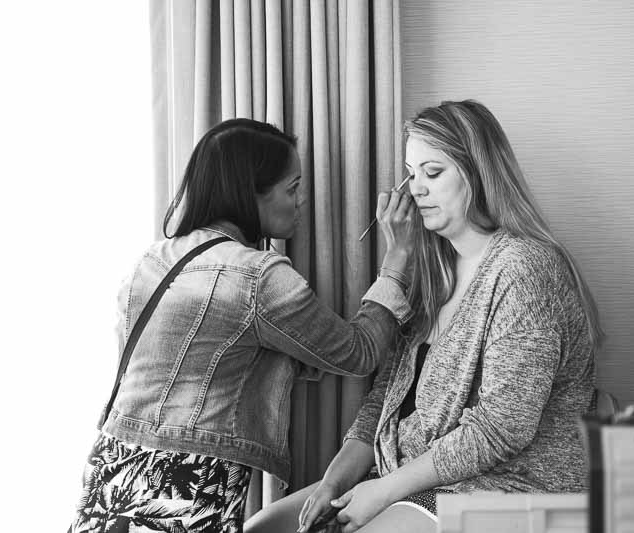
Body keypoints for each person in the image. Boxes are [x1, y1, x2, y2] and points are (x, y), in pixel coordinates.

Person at [244, 100, 603, 533]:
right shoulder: (434, 274)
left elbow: (501, 429)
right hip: (408, 475)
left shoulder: (524, 269)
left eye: (433, 173)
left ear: (478, 173)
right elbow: (382, 404)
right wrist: (333, 482)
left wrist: (383, 491)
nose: (416, 189)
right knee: (264, 528)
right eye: (411, 175)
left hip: (505, 486)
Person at [69, 118, 416, 533]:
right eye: (292, 188)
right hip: (187, 478)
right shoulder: (259, 276)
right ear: (250, 193)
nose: (301, 201)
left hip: (112, 460)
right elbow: (359, 353)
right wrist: (397, 258)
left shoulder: (152, 260)